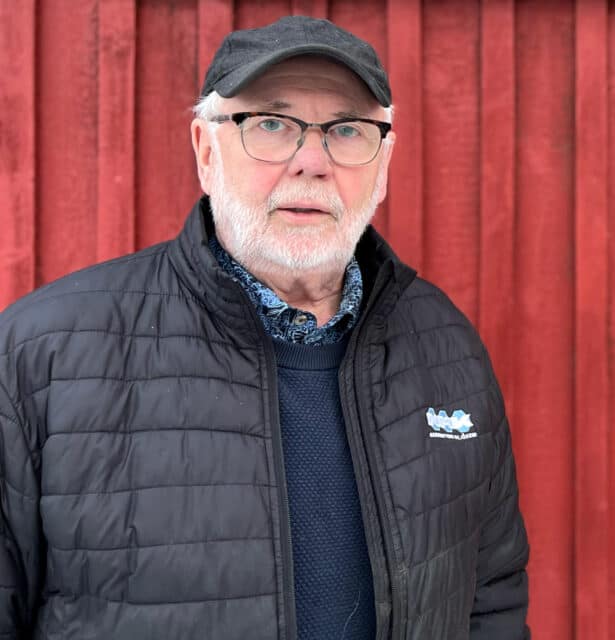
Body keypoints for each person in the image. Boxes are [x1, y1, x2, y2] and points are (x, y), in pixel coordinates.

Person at [0, 16, 529, 640]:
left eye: (347, 130)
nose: (312, 161)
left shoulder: (446, 350)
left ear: (383, 165)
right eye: (272, 124)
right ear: (204, 149)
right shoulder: (44, 355)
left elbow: (491, 602)